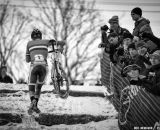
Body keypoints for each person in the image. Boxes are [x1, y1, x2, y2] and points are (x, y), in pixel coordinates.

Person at [26, 28, 64, 114]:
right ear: (41, 36)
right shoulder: (46, 41)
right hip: (44, 66)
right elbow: (61, 43)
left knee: (31, 86)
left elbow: (27, 60)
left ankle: (32, 101)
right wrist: (62, 46)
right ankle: (35, 104)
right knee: (38, 87)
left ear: (32, 37)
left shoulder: (29, 43)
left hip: (34, 66)